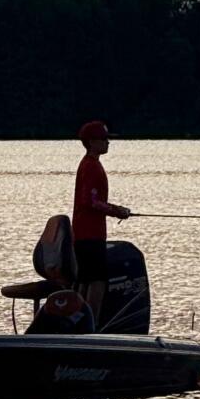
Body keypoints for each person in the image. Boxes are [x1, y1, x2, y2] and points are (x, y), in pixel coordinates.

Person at [73, 119, 131, 325]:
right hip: (89, 234)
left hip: (84, 233)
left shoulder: (89, 164)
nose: (108, 142)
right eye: (103, 139)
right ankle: (90, 325)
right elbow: (91, 202)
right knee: (97, 281)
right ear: (91, 142)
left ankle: (80, 323)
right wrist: (118, 211)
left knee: (85, 280)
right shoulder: (91, 166)